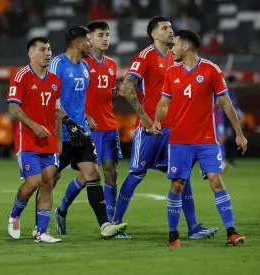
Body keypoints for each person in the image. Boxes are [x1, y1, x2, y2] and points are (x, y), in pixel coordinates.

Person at [114, 16, 217, 239]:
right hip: (151, 128)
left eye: (170, 27)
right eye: (164, 28)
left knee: (182, 177)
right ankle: (115, 224)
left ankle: (193, 228)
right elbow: (127, 87)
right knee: (136, 174)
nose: (170, 31)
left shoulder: (178, 57)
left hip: (176, 130)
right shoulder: (145, 56)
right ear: (154, 34)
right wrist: (144, 118)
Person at [152, 30, 246, 246]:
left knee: (216, 181)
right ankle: (173, 236)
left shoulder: (211, 70)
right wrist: (157, 120)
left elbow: (226, 103)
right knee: (177, 185)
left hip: (206, 141)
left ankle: (231, 232)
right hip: (179, 142)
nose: (171, 48)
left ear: (186, 47)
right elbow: (164, 103)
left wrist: (239, 134)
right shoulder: (171, 73)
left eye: (174, 44)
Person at [36, 25, 127, 238]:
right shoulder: (57, 64)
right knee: (50, 179)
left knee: (93, 174)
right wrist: (66, 122)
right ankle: (38, 226)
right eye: (88, 40)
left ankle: (105, 225)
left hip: (81, 133)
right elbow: (51, 99)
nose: (90, 44)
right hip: (59, 133)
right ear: (78, 44)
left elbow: (79, 101)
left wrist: (85, 118)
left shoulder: (85, 67)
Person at [6, 37, 63, 243]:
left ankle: (42, 232)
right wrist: (33, 126)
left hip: (48, 142)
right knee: (33, 183)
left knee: (48, 183)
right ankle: (14, 214)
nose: (47, 53)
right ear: (31, 54)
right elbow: (13, 107)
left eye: (49, 49)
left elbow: (57, 112)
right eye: (42, 50)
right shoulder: (20, 76)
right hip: (28, 140)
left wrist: (60, 141)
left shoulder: (55, 81)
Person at [83, 20, 124, 234]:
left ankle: (109, 221)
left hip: (109, 125)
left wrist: (120, 93)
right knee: (86, 176)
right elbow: (74, 96)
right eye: (100, 35)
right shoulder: (82, 64)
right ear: (89, 39)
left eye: (107, 34)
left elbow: (108, 96)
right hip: (88, 128)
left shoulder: (112, 65)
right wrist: (86, 116)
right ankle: (61, 209)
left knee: (111, 172)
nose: (105, 38)